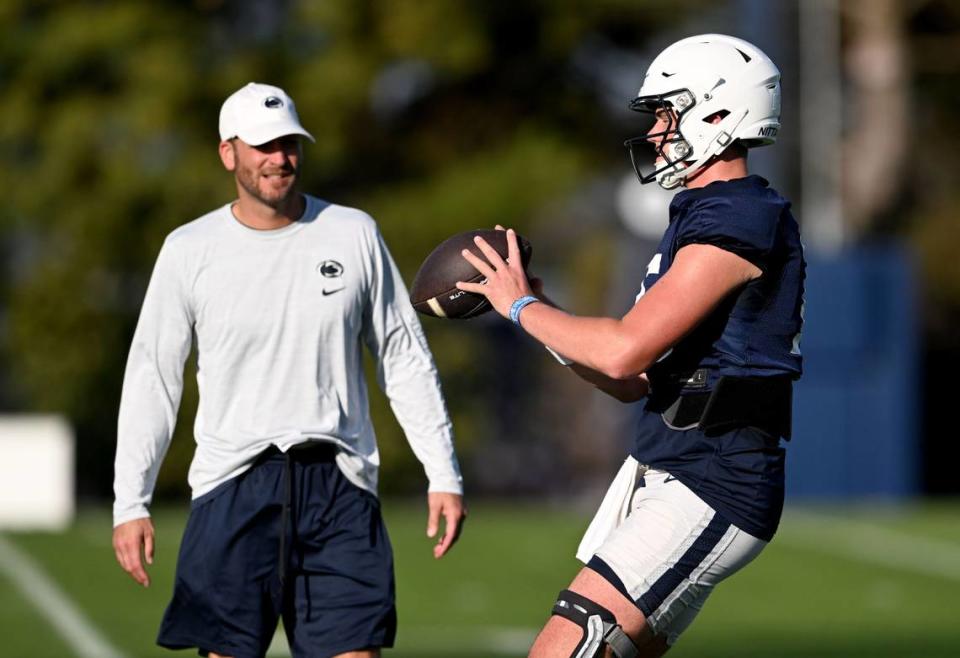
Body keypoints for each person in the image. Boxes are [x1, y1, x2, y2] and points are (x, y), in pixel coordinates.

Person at [457, 34, 804, 657]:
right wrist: (542, 317)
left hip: (714, 474)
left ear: (718, 115)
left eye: (668, 114)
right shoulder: (704, 213)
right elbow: (628, 381)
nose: (655, 134)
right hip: (671, 464)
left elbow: (624, 352)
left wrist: (520, 304)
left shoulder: (740, 217)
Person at [112, 82, 466, 658]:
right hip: (232, 487)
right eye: (263, 146)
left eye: (290, 144)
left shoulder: (354, 233)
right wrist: (132, 501)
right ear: (229, 152)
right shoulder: (188, 249)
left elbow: (403, 355)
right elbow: (153, 377)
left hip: (340, 487)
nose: (280, 158)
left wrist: (443, 471)